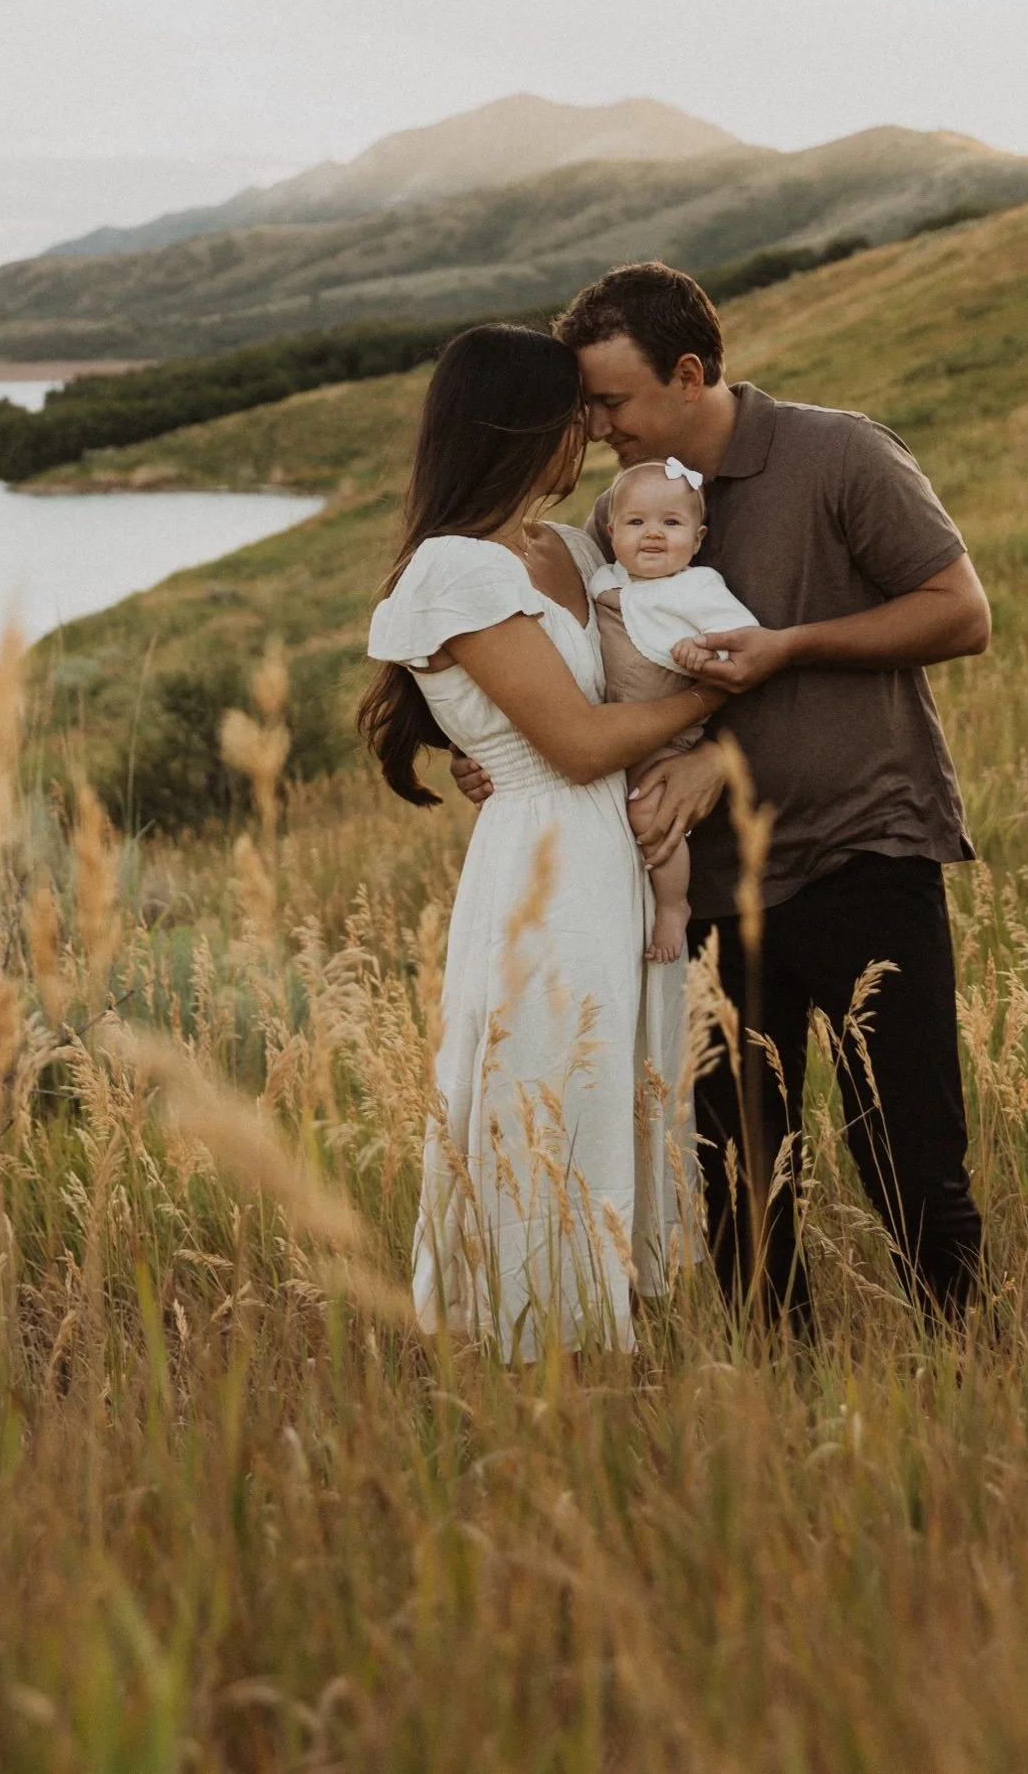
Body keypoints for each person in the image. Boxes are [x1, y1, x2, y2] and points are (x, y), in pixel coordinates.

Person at [454, 263, 990, 1330]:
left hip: (860, 854)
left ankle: (965, 1369)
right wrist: (503, 755)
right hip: (705, 890)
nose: (594, 423)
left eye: (610, 400)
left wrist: (788, 648)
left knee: (909, 1153)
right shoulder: (621, 515)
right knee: (738, 1178)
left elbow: (959, 612)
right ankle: (776, 1399)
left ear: (689, 372)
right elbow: (623, 679)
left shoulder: (839, 453)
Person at [361, 324, 719, 1357]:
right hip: (546, 861)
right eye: (575, 414)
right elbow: (571, 741)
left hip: (616, 851)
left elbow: (628, 659)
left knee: (615, 1078)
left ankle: (607, 1320)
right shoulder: (454, 569)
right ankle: (532, 1335)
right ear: (522, 425)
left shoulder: (563, 547)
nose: (590, 432)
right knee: (549, 1079)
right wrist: (714, 693)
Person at [588, 457, 758, 967]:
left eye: (671, 523)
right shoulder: (601, 582)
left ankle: (672, 904)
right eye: (637, 523)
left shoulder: (699, 588)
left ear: (698, 536)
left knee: (647, 812)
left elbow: (745, 646)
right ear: (612, 532)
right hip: (613, 730)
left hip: (670, 736)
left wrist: (703, 656)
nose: (654, 535)